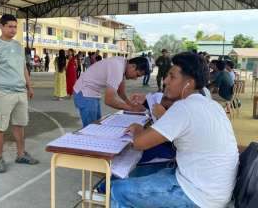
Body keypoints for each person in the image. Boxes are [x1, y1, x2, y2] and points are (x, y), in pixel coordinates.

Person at [111, 52, 239, 208]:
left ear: (189, 83)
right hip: (214, 189)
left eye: (172, 77)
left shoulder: (184, 108)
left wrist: (137, 128)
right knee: (140, 172)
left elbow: (139, 143)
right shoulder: (210, 105)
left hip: (199, 196)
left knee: (118, 189)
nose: (165, 81)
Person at [0, 14, 39, 173]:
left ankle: (21, 154)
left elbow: (23, 68)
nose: (13, 29)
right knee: (0, 128)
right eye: (10, 26)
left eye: (15, 27)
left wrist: (29, 86)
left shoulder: (18, 46)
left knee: (19, 125)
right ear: (1, 26)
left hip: (20, 92)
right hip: (3, 93)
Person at [73, 56, 149, 127]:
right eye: (137, 75)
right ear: (133, 66)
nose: (135, 78)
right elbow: (109, 100)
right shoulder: (117, 68)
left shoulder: (123, 64)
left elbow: (121, 91)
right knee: (91, 128)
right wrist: (131, 109)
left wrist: (131, 105)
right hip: (85, 92)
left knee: (96, 124)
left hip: (91, 93)